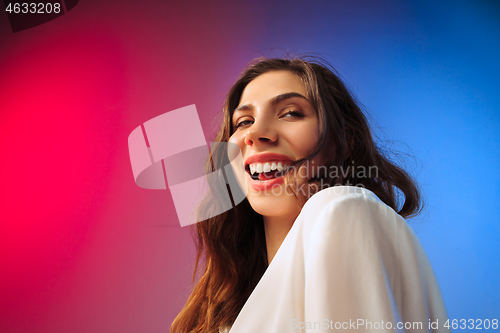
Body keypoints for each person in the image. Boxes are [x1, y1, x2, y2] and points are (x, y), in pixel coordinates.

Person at [170, 57, 449, 332]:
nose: (254, 134)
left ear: (344, 142)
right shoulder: (230, 307)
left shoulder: (343, 208)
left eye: (291, 113)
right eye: (243, 121)